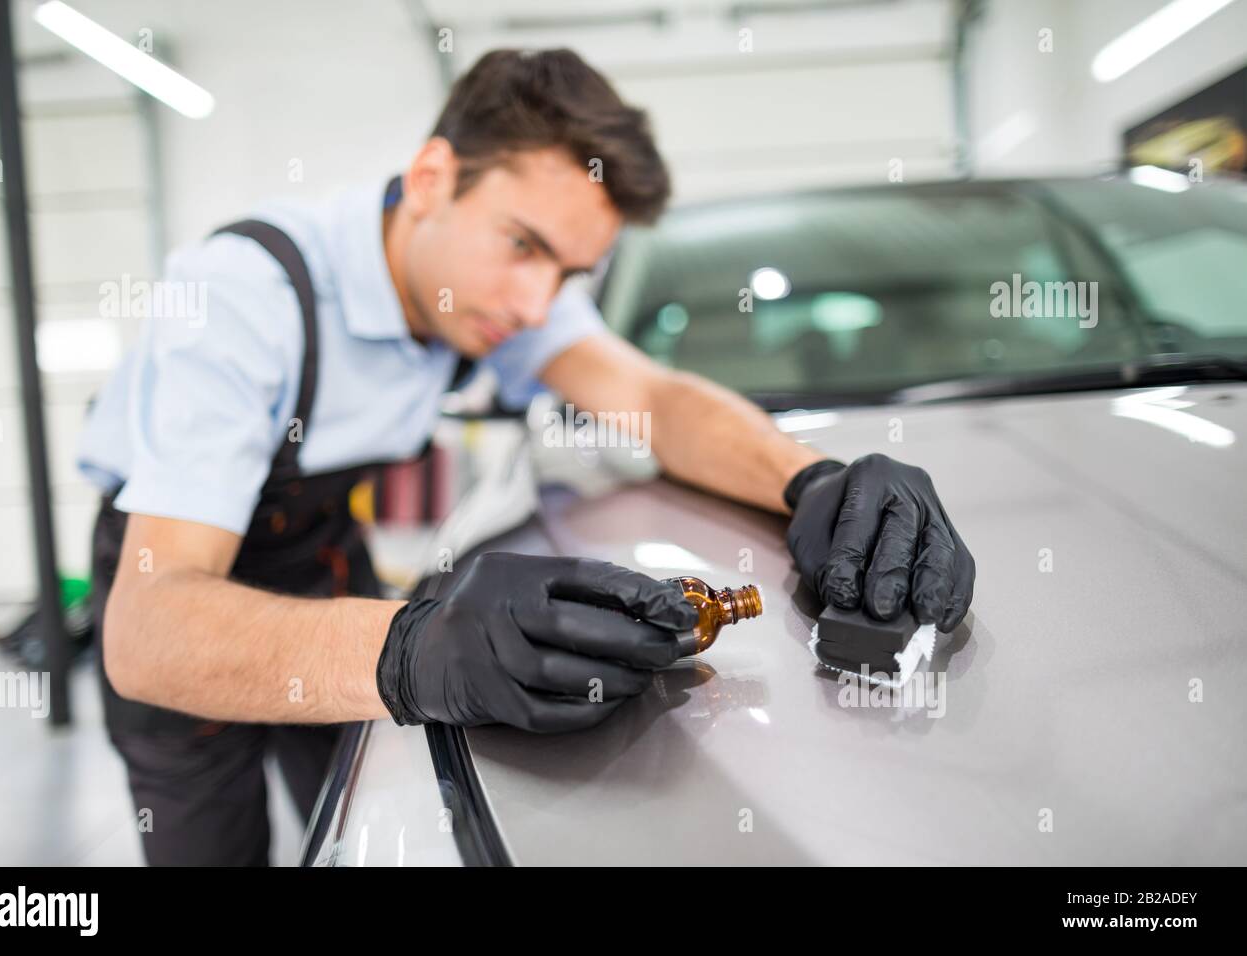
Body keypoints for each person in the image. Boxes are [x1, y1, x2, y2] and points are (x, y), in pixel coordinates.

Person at [77, 48, 975, 865]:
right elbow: (149, 628)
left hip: (316, 559)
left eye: (569, 274)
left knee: (357, 812)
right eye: (524, 246)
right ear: (431, 177)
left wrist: (808, 479)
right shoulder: (242, 298)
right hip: (179, 585)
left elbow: (651, 399)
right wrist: (408, 650)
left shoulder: (485, 295)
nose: (540, 303)